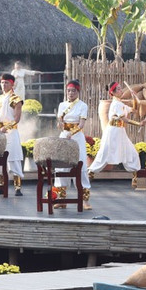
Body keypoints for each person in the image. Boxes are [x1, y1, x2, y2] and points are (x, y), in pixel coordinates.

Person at [88, 82, 146, 186]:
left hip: (121, 131)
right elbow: (124, 118)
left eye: (120, 88)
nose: (121, 90)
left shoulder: (120, 104)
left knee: (132, 152)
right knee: (104, 154)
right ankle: (90, 173)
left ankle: (136, 177)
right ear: (113, 93)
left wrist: (134, 97)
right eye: (118, 89)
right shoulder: (116, 104)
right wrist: (139, 124)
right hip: (112, 132)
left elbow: (134, 110)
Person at [53, 80, 91, 209]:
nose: (70, 93)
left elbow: (81, 124)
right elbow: (61, 122)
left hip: (77, 137)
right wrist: (60, 126)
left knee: (81, 166)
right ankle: (61, 198)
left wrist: (72, 133)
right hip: (64, 136)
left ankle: (85, 200)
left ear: (78, 92)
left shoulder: (82, 105)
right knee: (61, 166)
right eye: (68, 90)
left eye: (73, 91)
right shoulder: (62, 105)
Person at [0, 73, 24, 196]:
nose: (3, 85)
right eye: (2, 83)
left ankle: (17, 187)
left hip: (11, 131)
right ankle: (1, 186)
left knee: (13, 158)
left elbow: (17, 119)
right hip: (0, 131)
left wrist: (6, 127)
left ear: (12, 84)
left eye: (6, 83)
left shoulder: (16, 99)